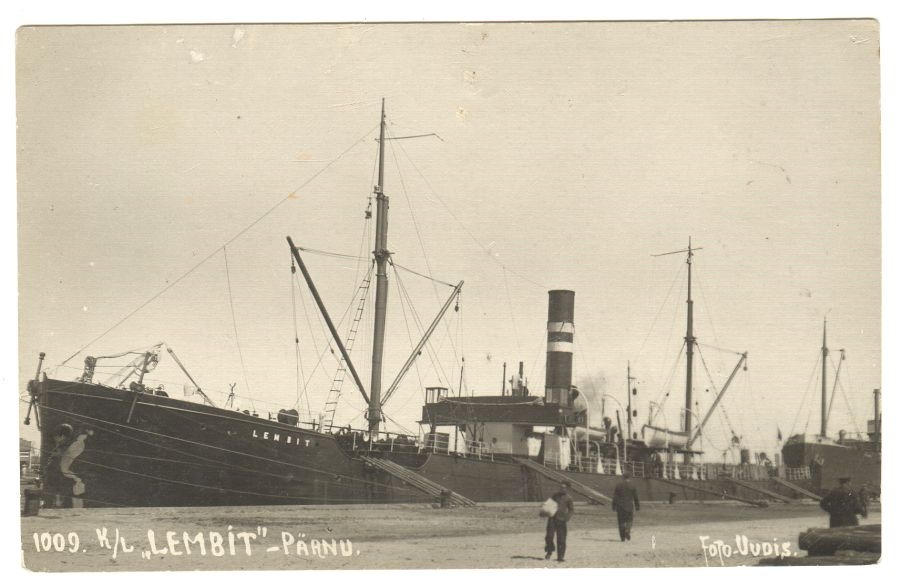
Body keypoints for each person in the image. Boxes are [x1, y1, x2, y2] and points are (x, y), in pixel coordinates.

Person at [544, 481, 575, 562]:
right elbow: (549, 505)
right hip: (552, 519)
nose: (562, 489)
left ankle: (560, 557)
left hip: (561, 520)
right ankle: (549, 551)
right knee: (549, 536)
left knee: (561, 539)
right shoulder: (555, 496)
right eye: (561, 487)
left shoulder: (569, 498)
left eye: (564, 488)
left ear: (567, 489)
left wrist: (567, 518)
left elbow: (571, 510)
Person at [612, 472, 640, 541]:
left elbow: (615, 497)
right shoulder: (632, 486)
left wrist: (613, 506)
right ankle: (627, 530)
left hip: (620, 506)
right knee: (629, 520)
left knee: (621, 521)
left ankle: (622, 538)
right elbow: (635, 497)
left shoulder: (618, 485)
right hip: (629, 506)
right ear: (629, 477)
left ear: (623, 477)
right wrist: (637, 506)